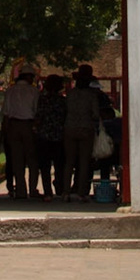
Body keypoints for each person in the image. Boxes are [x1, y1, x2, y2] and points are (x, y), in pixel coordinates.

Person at [63, 64, 101, 201]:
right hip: (86, 128)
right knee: (84, 161)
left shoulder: (70, 94)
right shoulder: (91, 96)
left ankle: (66, 192)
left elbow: (65, 111)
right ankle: (81, 192)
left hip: (70, 128)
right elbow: (95, 114)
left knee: (69, 161)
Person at [1, 69, 39, 199]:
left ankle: (21, 191)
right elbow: (36, 111)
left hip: (13, 125)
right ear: (28, 77)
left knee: (17, 160)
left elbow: (6, 114)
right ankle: (33, 189)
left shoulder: (10, 91)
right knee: (32, 160)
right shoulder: (33, 91)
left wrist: (5, 132)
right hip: (28, 125)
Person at [34, 73, 67, 201]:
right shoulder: (62, 101)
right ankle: (60, 188)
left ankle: (47, 192)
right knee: (59, 165)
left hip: (44, 136)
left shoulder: (42, 100)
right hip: (59, 136)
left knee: (45, 166)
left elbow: (38, 116)